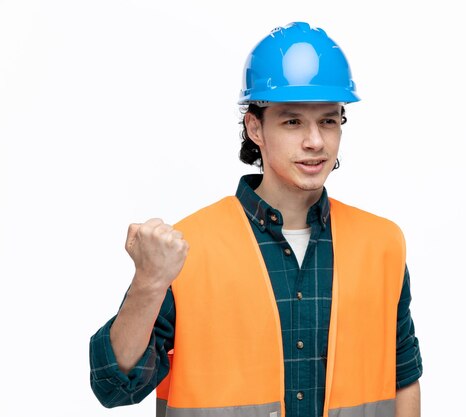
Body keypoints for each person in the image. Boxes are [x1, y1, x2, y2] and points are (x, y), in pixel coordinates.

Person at [89, 21, 423, 417]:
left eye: (329, 121)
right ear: (255, 128)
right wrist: (148, 283)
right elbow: (115, 385)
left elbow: (403, 378)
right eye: (292, 121)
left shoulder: (381, 244)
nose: (315, 141)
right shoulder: (189, 249)